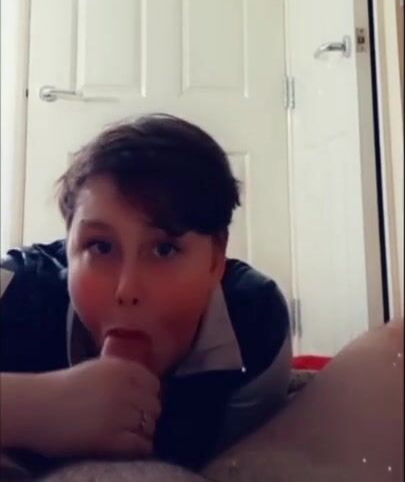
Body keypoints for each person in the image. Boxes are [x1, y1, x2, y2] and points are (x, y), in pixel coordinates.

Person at [0, 114, 291, 478]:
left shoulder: (257, 327)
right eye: (101, 247)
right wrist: (31, 407)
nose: (127, 290)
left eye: (164, 250)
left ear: (216, 260)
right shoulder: (14, 290)